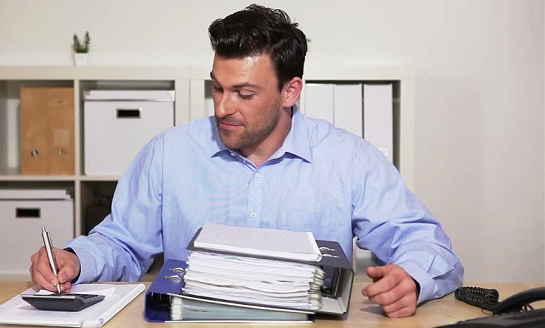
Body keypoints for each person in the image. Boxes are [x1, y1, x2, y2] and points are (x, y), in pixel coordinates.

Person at [30, 4, 463, 318]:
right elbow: (123, 242)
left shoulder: (348, 159)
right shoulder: (169, 152)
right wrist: (76, 258)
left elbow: (424, 242)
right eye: (218, 88)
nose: (222, 107)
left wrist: (412, 276)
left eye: (245, 94)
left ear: (290, 92)